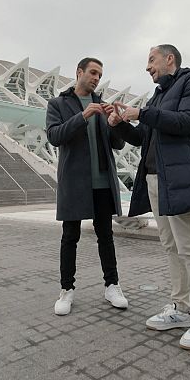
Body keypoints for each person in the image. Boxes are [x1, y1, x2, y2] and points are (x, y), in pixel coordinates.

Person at [110, 44, 190, 350]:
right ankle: (181, 308)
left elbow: (187, 121)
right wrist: (122, 124)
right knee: (171, 246)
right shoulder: (158, 96)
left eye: (151, 60)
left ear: (168, 59)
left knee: (189, 246)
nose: (147, 67)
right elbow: (144, 137)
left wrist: (143, 113)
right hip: (156, 179)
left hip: (179, 178)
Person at [45, 57, 128, 316]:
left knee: (106, 235)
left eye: (100, 75)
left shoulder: (102, 107)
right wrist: (83, 116)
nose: (96, 78)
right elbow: (55, 136)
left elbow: (118, 145)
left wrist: (115, 122)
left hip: (102, 181)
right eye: (92, 72)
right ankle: (66, 290)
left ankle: (112, 285)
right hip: (75, 181)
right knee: (71, 237)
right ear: (79, 72)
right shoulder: (57, 104)